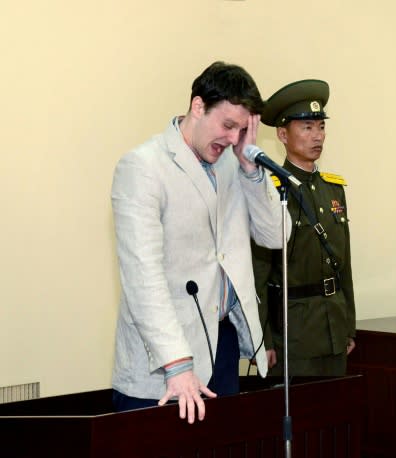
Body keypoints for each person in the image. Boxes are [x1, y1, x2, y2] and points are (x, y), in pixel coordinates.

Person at [110, 62, 285, 423]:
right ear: (198, 106)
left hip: (220, 345)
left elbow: (274, 235)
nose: (235, 138)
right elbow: (143, 279)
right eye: (228, 125)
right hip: (162, 359)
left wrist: (251, 171)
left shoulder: (234, 163)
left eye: (242, 129)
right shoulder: (143, 167)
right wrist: (177, 363)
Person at [252, 79, 355, 376]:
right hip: (292, 334)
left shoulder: (333, 189)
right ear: (283, 134)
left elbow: (344, 265)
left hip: (333, 328)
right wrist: (263, 340)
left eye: (321, 127)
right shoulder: (269, 192)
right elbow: (259, 274)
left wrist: (348, 325)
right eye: (307, 127)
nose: (317, 136)